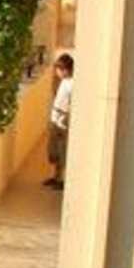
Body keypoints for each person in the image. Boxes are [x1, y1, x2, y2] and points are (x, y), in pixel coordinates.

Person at [46, 52, 75, 190]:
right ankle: (56, 176)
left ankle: (62, 179)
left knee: (62, 151)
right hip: (56, 119)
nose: (57, 73)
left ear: (65, 69)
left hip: (63, 121)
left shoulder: (72, 84)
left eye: (58, 69)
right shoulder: (64, 82)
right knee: (55, 151)